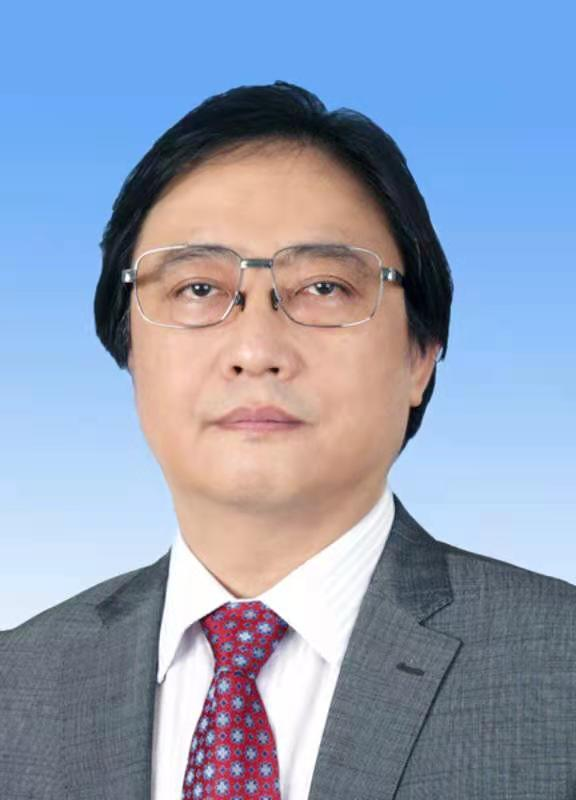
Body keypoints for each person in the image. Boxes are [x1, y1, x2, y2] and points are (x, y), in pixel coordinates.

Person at [1, 80, 575, 800]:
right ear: (130, 351)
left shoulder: (559, 672)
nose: (255, 350)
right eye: (198, 289)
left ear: (421, 356)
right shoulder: (17, 687)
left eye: (324, 287)